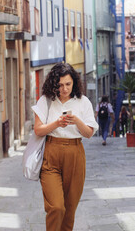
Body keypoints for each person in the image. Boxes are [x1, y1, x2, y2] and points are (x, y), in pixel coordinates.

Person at [32, 63, 98, 231]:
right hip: (51, 153)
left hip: (75, 153)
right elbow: (38, 130)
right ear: (54, 84)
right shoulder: (46, 101)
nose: (64, 88)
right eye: (60, 85)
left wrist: (76, 120)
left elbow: (89, 133)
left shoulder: (83, 102)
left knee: (69, 210)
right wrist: (56, 123)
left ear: (74, 82)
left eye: (68, 84)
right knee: (56, 207)